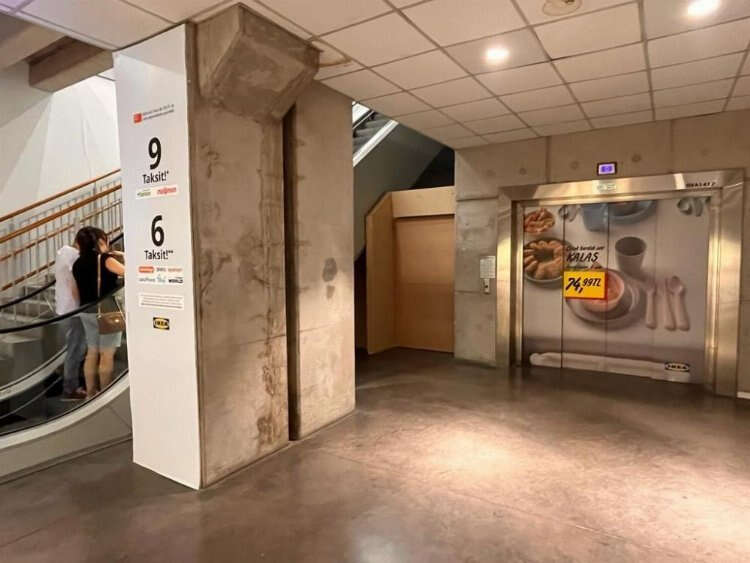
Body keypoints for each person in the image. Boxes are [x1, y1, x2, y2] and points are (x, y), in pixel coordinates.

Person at [72, 227, 125, 399]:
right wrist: (119, 256)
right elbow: (128, 272)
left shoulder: (77, 263)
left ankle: (90, 393)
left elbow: (75, 292)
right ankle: (105, 394)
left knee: (92, 352)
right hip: (106, 310)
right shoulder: (105, 259)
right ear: (100, 241)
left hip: (85, 310)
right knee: (107, 354)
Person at [55, 241, 87, 401]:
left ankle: (69, 382)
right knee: (75, 350)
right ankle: (70, 389)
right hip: (73, 310)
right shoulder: (73, 256)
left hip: (63, 308)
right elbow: (74, 284)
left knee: (72, 349)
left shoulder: (62, 253)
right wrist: (83, 305)